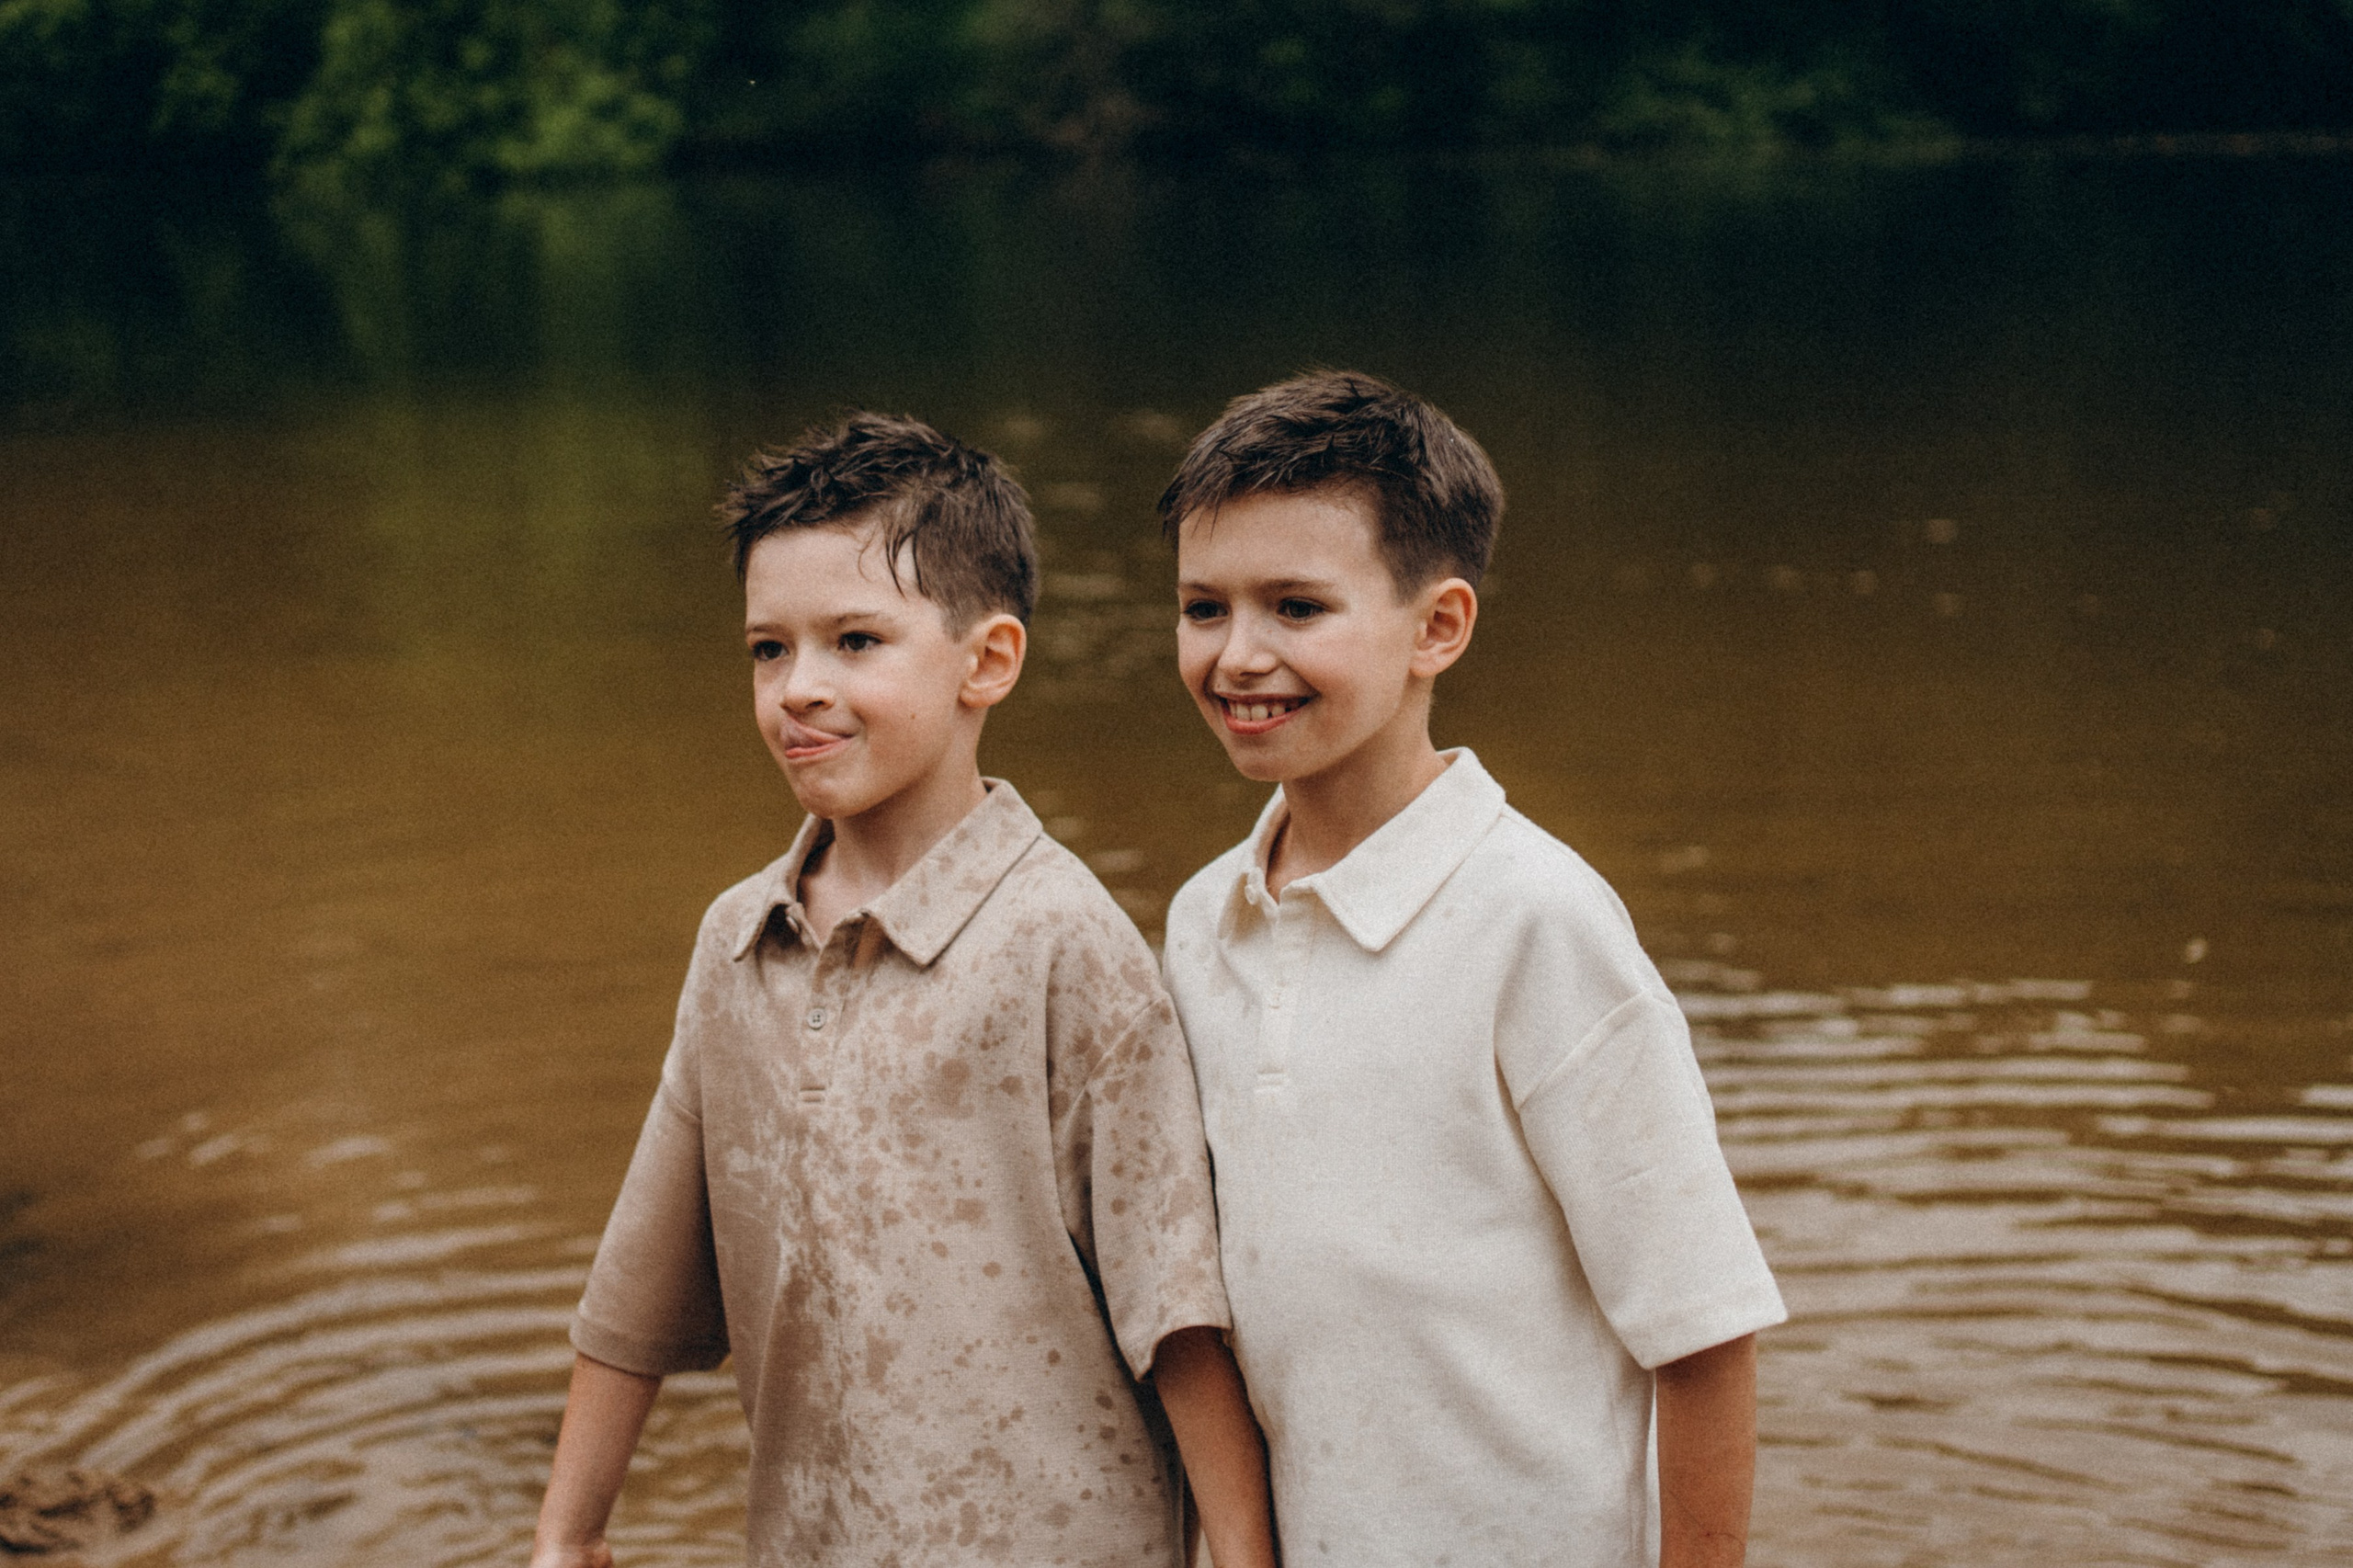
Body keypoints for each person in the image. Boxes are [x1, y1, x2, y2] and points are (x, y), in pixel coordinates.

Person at [530, 414, 1277, 1568]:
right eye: (768, 649)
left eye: (855, 641)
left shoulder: (1060, 944)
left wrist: (1242, 1551)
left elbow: (1173, 1315)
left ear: (987, 661)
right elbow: (635, 1289)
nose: (799, 689)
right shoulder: (740, 941)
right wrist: (566, 1534)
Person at [1158, 371, 1787, 1567]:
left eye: (1296, 607)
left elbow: (1704, 1332)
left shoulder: (1537, 922)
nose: (1239, 656)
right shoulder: (1204, 925)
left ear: (1437, 627)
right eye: (1203, 607)